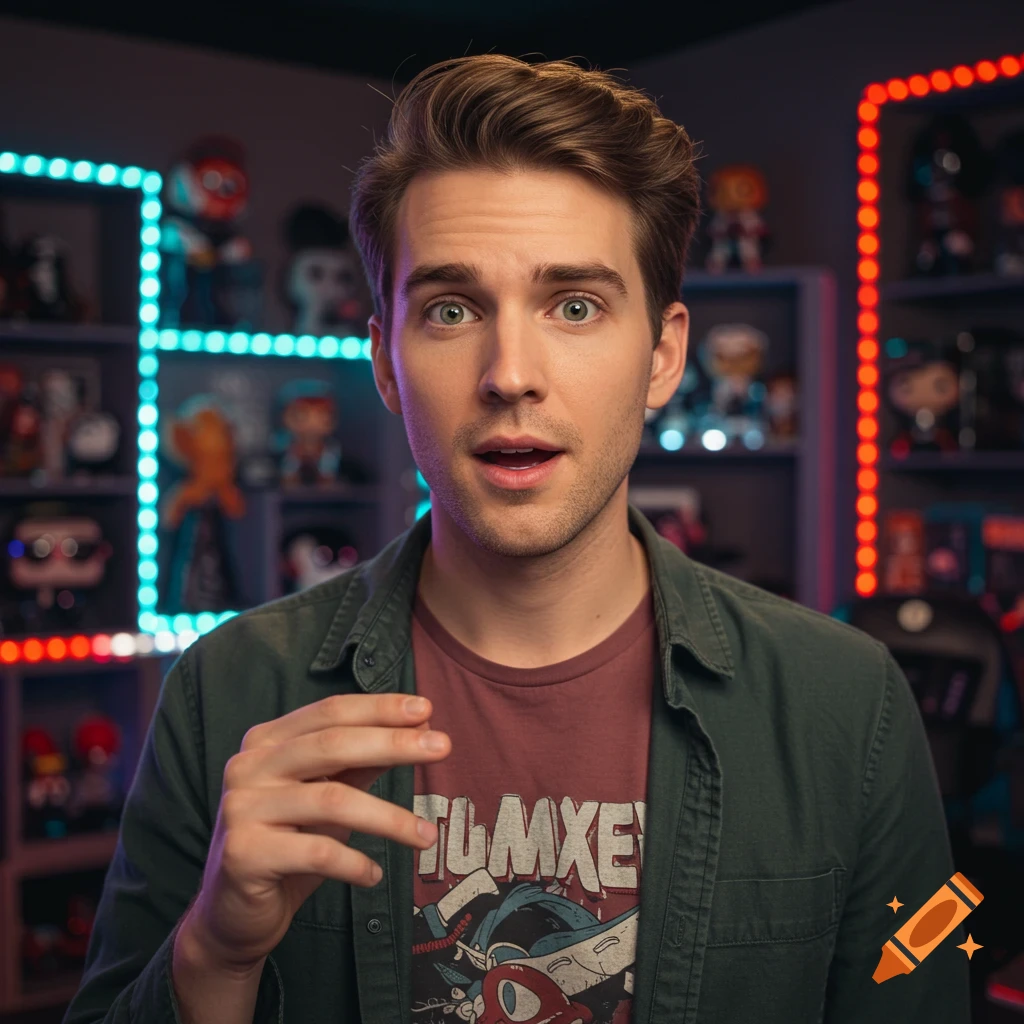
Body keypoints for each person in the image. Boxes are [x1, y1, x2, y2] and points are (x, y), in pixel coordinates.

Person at [65, 55, 970, 1024]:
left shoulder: (847, 700)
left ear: (661, 355)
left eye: (574, 305)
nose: (509, 373)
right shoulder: (228, 690)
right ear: (384, 360)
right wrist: (213, 953)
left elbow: (919, 978)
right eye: (452, 309)